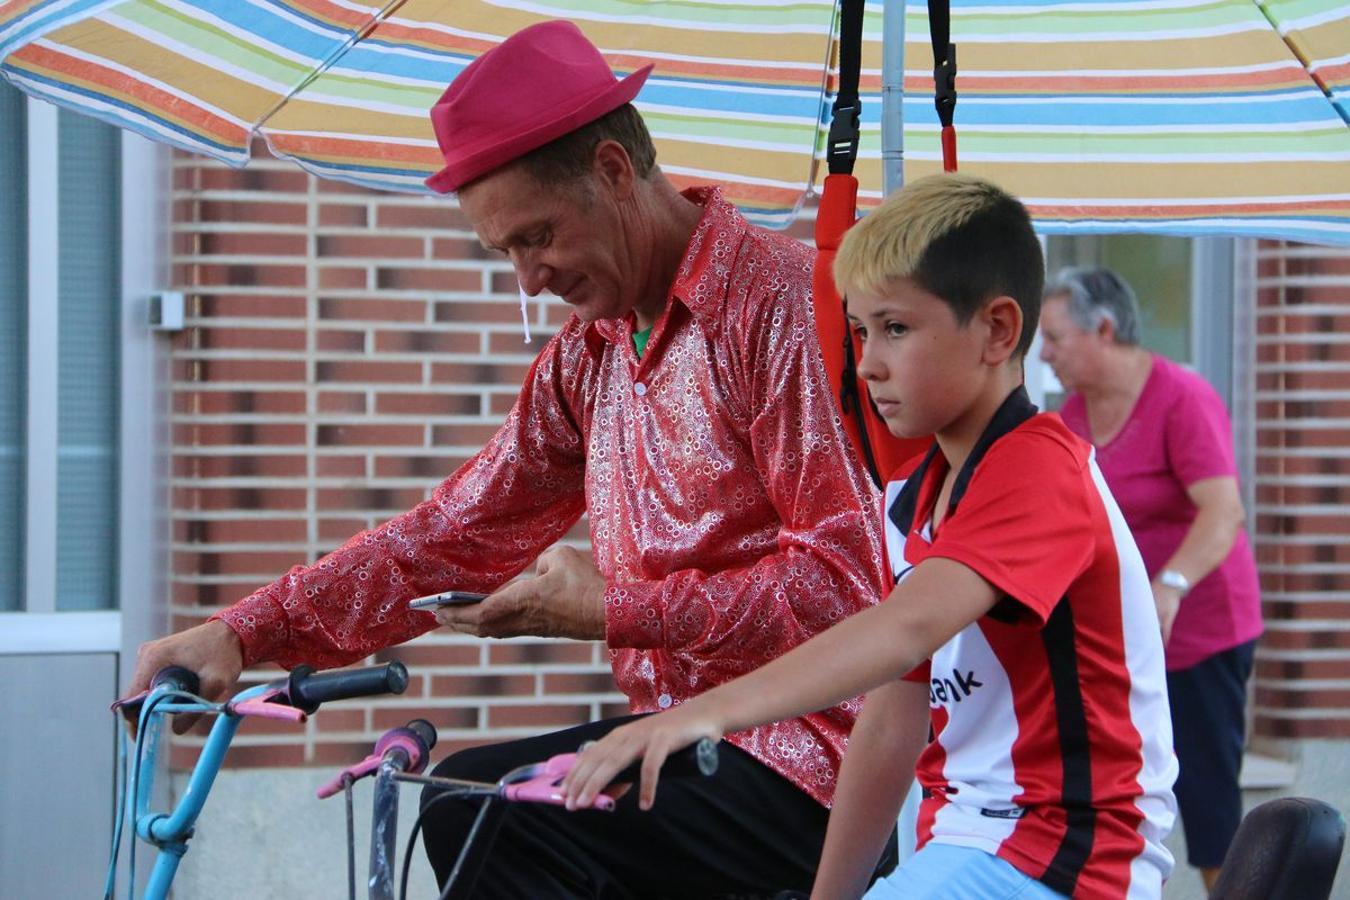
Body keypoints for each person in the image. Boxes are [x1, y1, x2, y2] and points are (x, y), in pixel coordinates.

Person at [124, 19, 895, 899]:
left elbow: (850, 592)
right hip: (679, 747)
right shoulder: (588, 354)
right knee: (462, 799)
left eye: (536, 237)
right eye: (504, 253)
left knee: (484, 816)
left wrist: (618, 608)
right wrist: (243, 630)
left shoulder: (784, 306)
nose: (527, 278)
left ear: (612, 170)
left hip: (820, 769)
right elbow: (450, 535)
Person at [561, 173, 1179, 900]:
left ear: (999, 331)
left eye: (896, 328)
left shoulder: (1041, 468)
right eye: (858, 332)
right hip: (966, 844)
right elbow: (889, 725)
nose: (868, 364)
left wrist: (701, 715)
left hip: (1066, 860)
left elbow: (905, 628)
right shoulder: (917, 497)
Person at [1038, 268, 1263, 891]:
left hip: (1201, 634)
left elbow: (1225, 511)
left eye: (1054, 338)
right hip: (1125, 642)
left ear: (1104, 329)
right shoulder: (1074, 415)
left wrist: (1171, 585)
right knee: (1123, 800)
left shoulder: (1181, 397)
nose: (1044, 354)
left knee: (1210, 804)